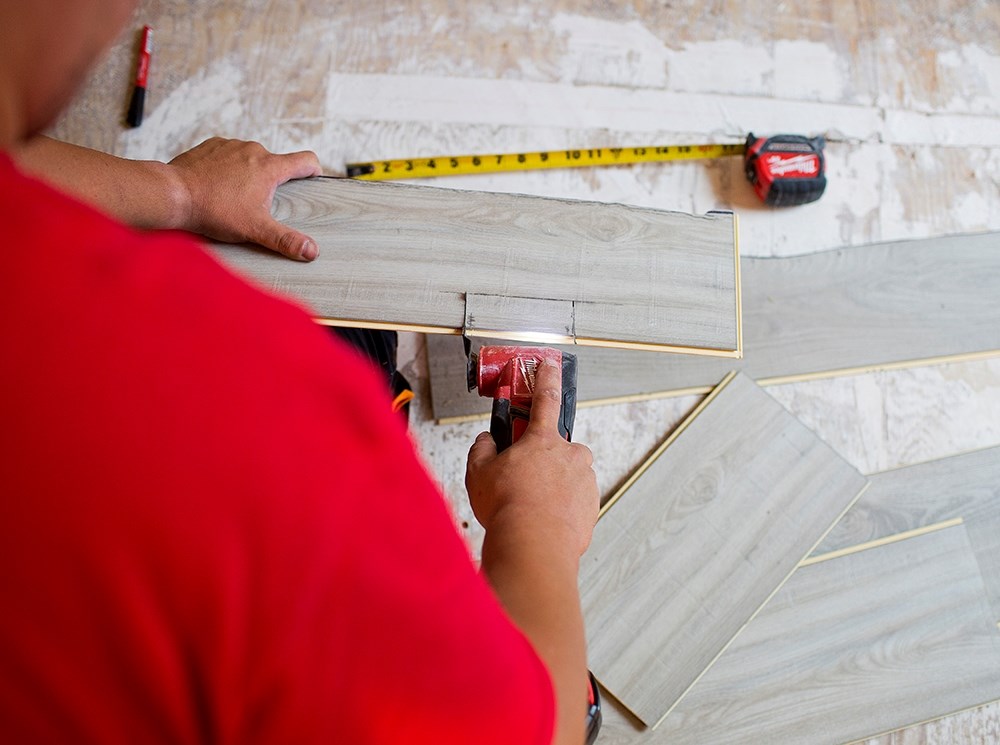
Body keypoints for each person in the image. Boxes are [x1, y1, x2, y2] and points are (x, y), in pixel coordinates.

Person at [0, 2, 600, 744]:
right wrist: (538, 523)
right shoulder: (292, 439)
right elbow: (529, 730)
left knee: (346, 304)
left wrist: (175, 191)